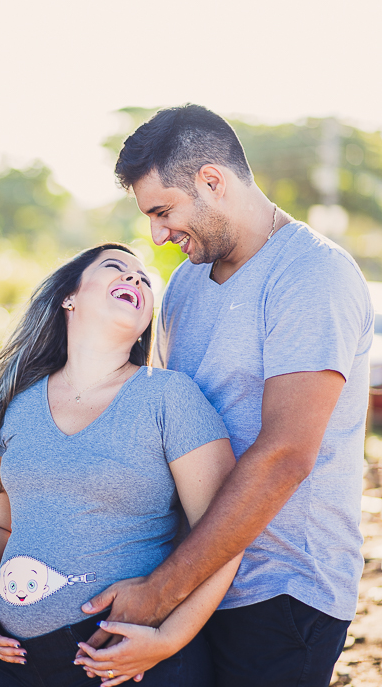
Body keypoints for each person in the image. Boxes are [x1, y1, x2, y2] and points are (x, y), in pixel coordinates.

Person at [76, 106, 374, 687]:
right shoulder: (187, 282)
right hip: (189, 584)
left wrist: (158, 591)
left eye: (164, 212)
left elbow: (285, 456)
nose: (157, 236)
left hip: (281, 591)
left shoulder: (312, 275)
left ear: (213, 181)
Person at [0, 242, 241, 687]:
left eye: (144, 280)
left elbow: (225, 534)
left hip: (128, 661)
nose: (135, 279)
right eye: (116, 268)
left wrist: (168, 638)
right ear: (68, 297)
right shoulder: (16, 404)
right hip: (17, 661)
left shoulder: (170, 397)